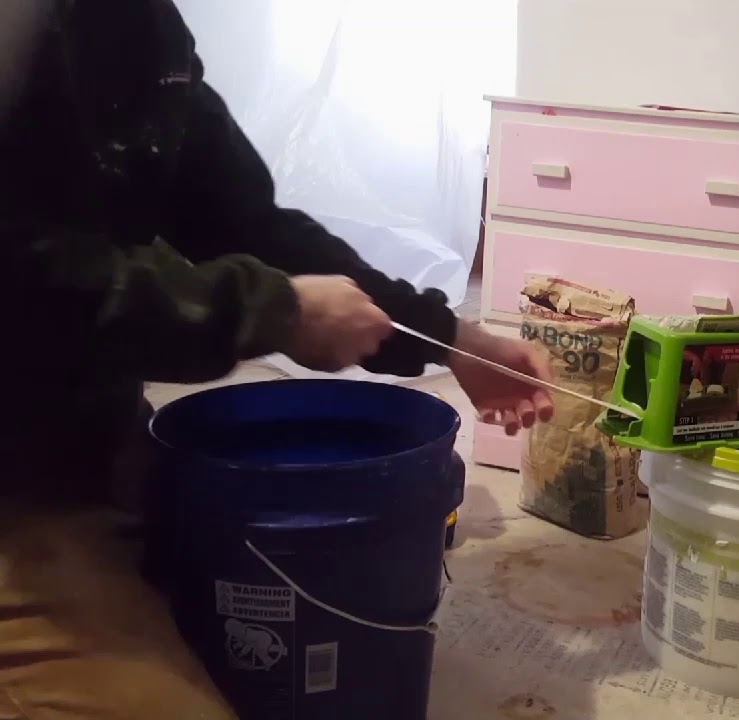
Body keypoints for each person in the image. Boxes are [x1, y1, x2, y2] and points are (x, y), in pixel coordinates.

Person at [0, 3, 552, 717]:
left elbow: (243, 222)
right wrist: (272, 311)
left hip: (83, 437)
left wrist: (452, 339)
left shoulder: (139, 24)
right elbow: (27, 284)